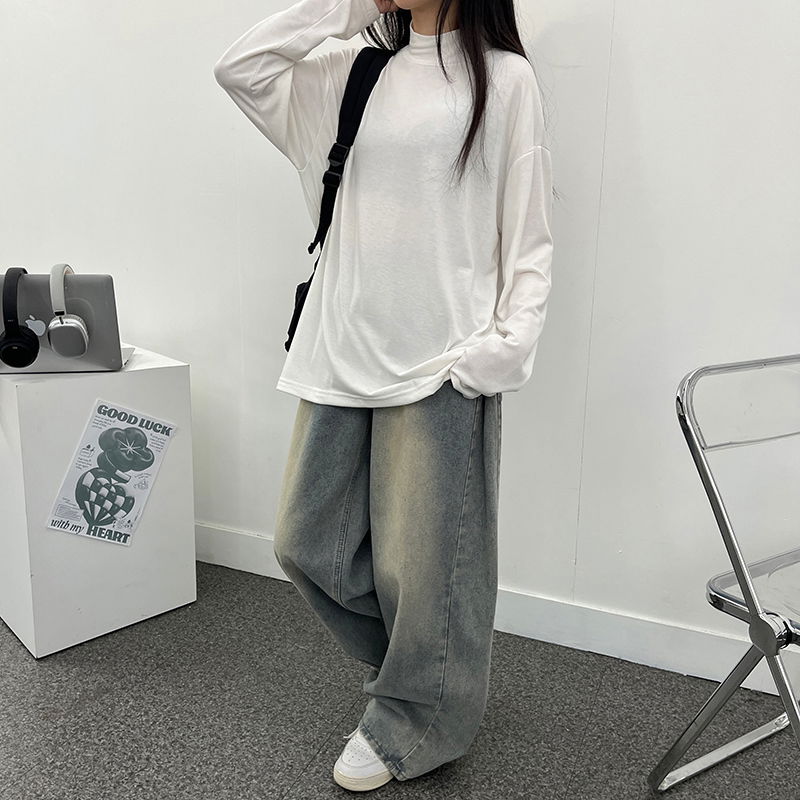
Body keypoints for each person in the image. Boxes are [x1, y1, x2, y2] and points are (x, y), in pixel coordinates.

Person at [213, 0, 554, 791]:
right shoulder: (355, 69)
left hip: (440, 361)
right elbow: (239, 68)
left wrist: (506, 347)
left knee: (423, 566)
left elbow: (529, 234)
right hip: (340, 348)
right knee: (305, 544)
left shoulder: (505, 82)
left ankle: (417, 720)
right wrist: (350, 7)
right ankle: (429, 670)